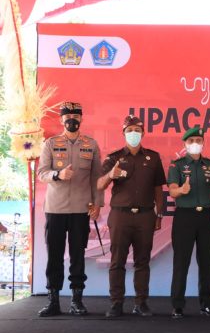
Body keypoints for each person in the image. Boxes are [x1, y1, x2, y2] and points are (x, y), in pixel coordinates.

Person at [36, 102, 103, 316]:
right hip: (55, 209)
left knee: (78, 256)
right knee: (54, 256)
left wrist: (98, 203)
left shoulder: (91, 144)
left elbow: (97, 178)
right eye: (67, 116)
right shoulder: (50, 143)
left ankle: (77, 301)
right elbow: (42, 173)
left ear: (81, 119)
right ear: (61, 120)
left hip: (81, 209)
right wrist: (58, 174)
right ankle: (53, 301)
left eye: (75, 116)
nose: (71, 119)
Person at [97, 115, 166, 318]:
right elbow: (99, 184)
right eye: (129, 130)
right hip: (120, 216)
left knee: (142, 261)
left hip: (145, 216)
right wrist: (111, 175)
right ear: (124, 133)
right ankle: (116, 303)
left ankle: (141, 303)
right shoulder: (114, 158)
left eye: (137, 130)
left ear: (143, 133)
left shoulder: (153, 157)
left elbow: (158, 189)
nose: (133, 133)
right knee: (117, 261)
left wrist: (159, 215)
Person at [167, 125, 210, 319]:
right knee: (181, 262)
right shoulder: (177, 165)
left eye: (198, 141)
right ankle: (177, 306)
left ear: (203, 143)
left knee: (206, 262)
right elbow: (172, 190)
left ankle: (207, 305)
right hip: (185, 216)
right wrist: (180, 190)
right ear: (185, 144)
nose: (195, 143)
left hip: (206, 216)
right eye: (191, 141)